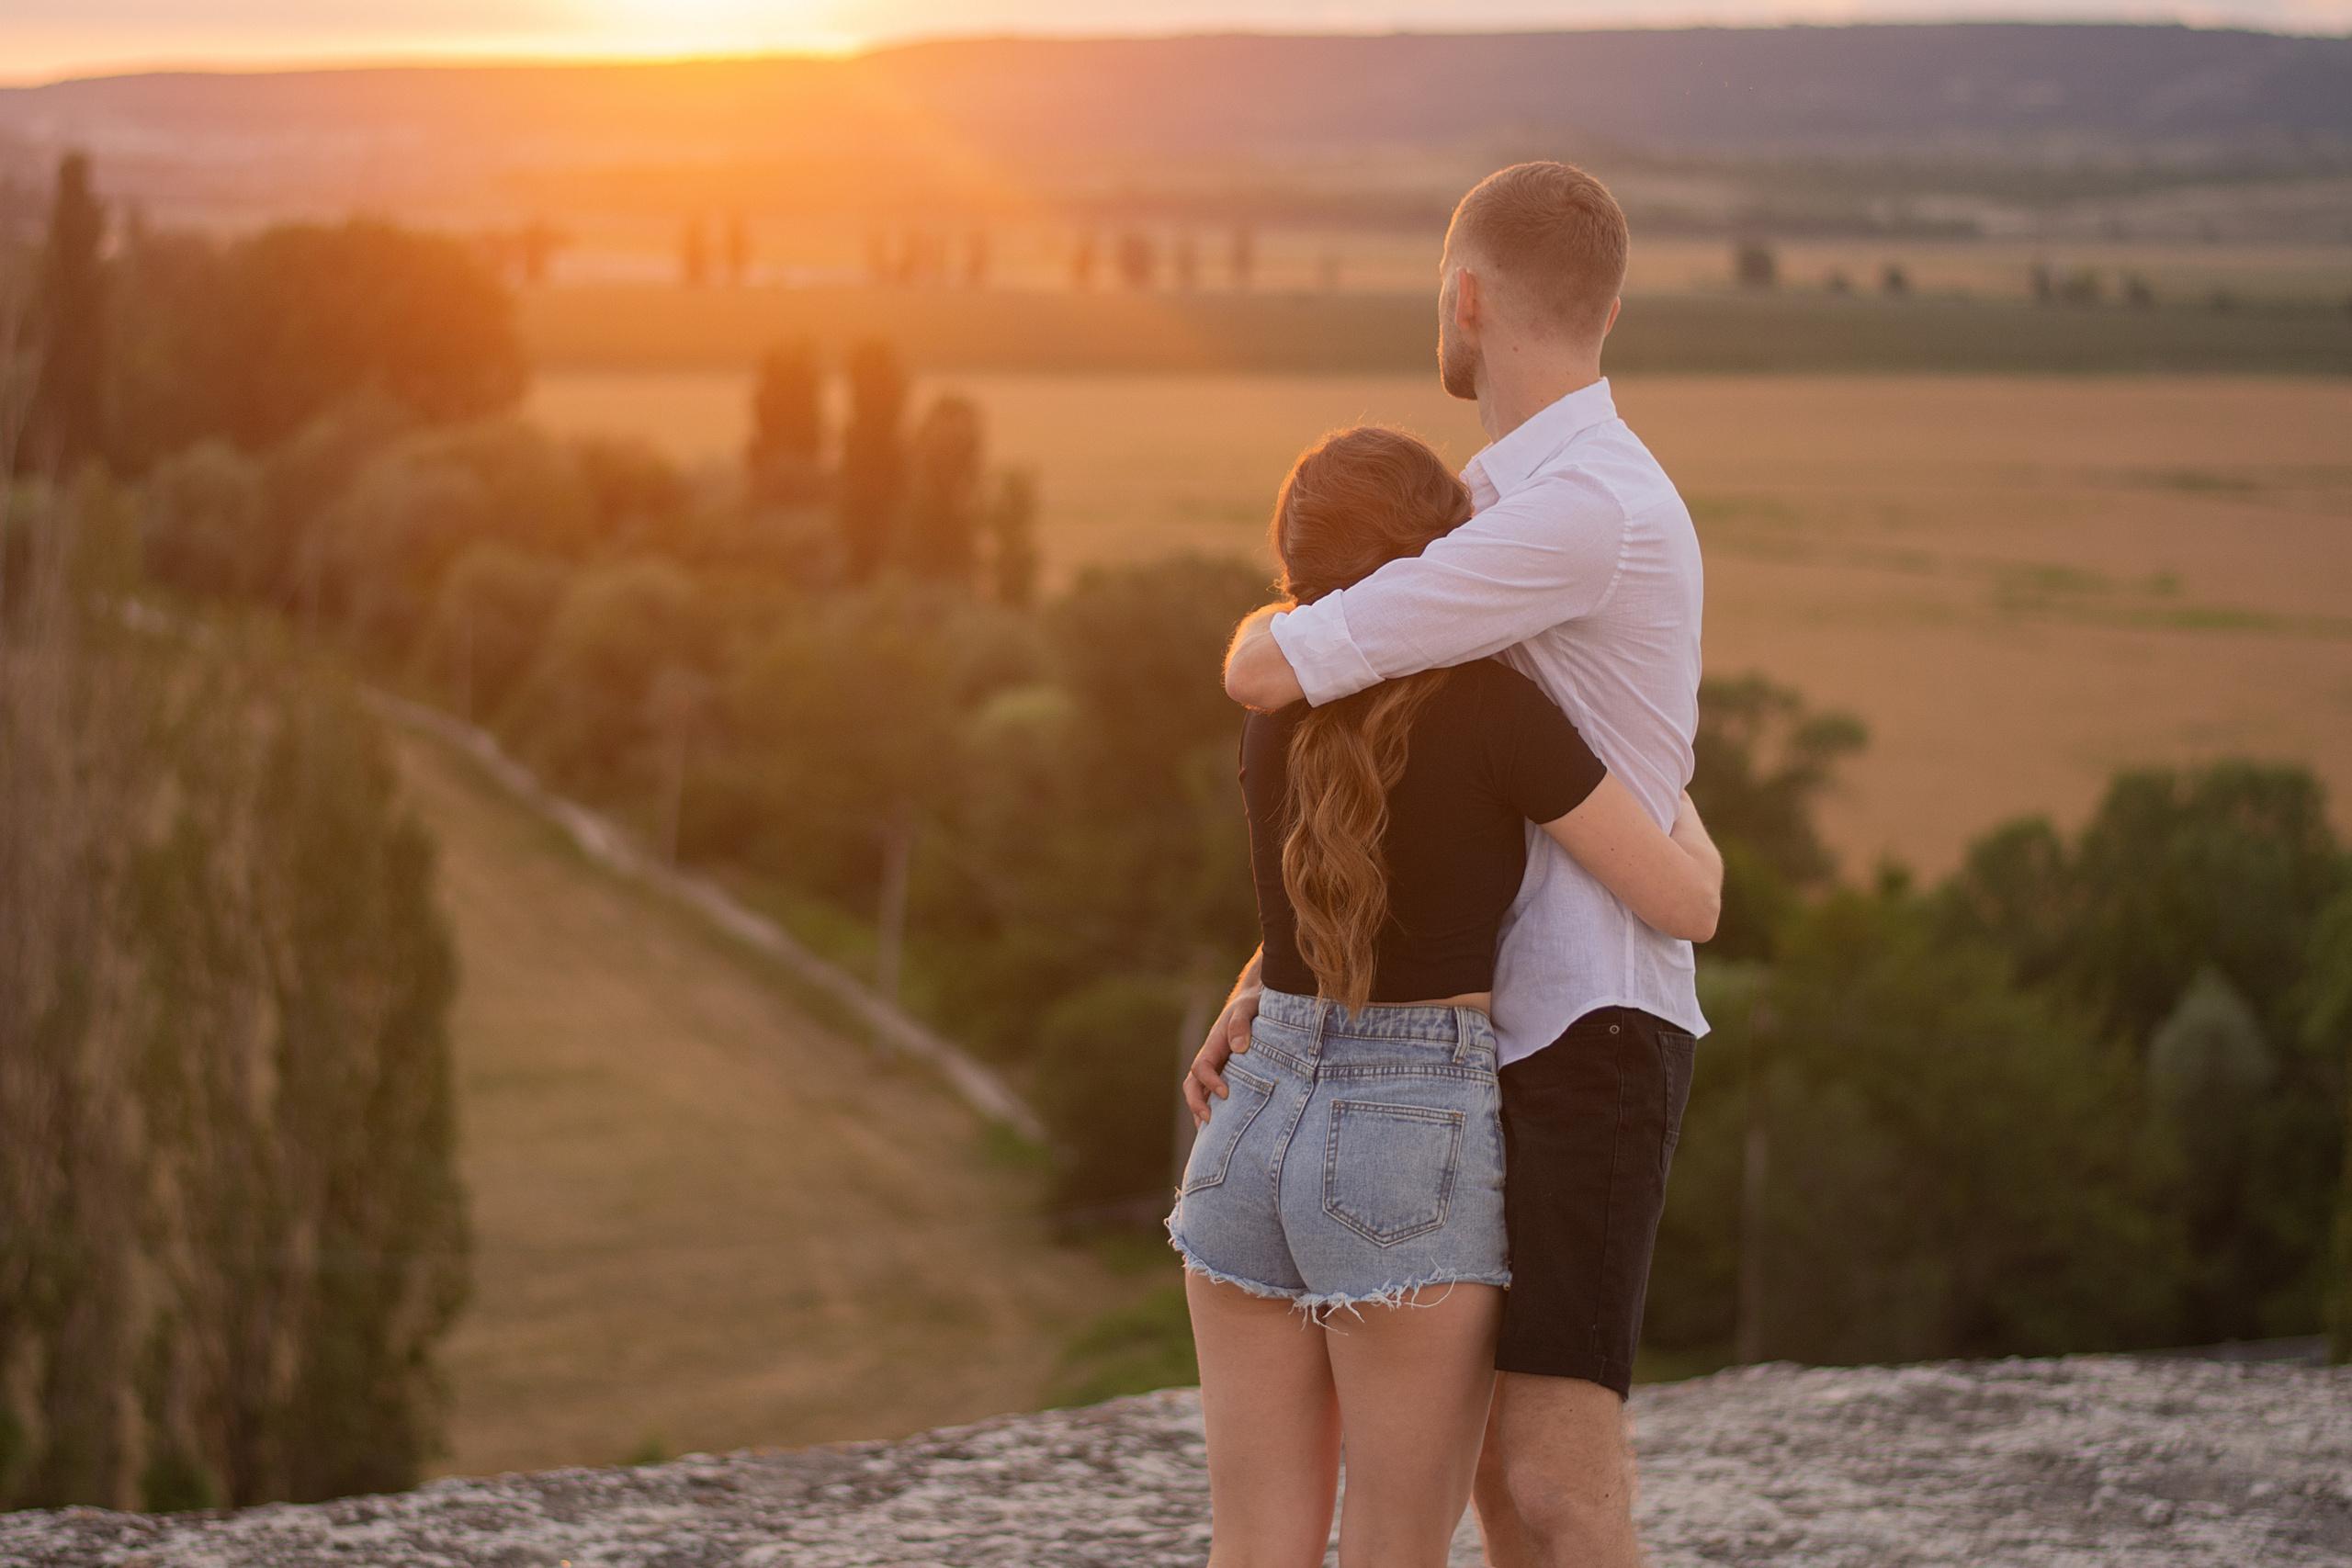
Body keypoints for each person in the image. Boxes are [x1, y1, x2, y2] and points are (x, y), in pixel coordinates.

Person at [1193, 161, 1706, 1568]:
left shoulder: (1575, 508)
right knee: (1469, 1490)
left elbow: (1294, 666)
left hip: (1584, 1021)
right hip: (1431, 1043)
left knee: (1549, 1477)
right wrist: (1280, 963)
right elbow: (1383, 772)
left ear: (1466, 297)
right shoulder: (1489, 497)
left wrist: (1252, 642)